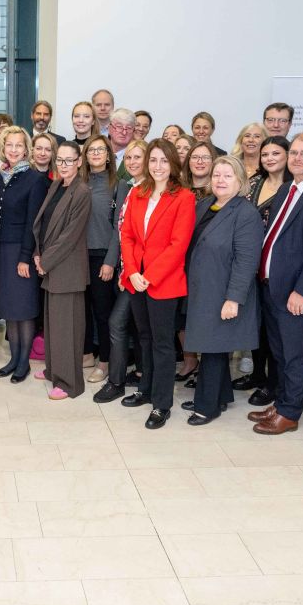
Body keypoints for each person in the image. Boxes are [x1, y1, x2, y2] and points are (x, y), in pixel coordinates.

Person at [247, 134, 303, 436]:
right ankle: (281, 403)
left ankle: (289, 414)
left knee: (296, 356)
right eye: (295, 152)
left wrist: (302, 291)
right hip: (273, 287)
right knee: (281, 354)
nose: (298, 158)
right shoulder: (288, 188)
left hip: (296, 293)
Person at [119, 137, 196, 429]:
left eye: (164, 160)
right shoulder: (138, 193)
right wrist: (132, 272)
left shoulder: (184, 197)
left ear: (173, 164)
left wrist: (149, 275)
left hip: (162, 281)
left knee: (162, 344)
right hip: (136, 279)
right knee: (144, 337)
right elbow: (127, 235)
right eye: (153, 160)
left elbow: (178, 245)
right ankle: (146, 389)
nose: (158, 166)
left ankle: (162, 404)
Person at [180, 157, 263, 425]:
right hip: (203, 289)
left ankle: (207, 406)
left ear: (240, 181)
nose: (220, 180)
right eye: (217, 175)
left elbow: (247, 261)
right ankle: (222, 395)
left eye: (228, 175)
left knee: (213, 347)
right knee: (213, 344)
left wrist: (233, 299)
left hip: (224, 291)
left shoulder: (246, 214)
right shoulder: (206, 205)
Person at [33, 138, 92, 400]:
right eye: (60, 160)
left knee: (67, 328)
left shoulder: (82, 192)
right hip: (50, 265)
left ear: (79, 162)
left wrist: (44, 261)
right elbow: (43, 223)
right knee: (53, 325)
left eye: (69, 160)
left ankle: (69, 383)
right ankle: (54, 370)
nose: (64, 164)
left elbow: (70, 236)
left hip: (67, 268)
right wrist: (37, 254)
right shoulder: (57, 184)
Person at [0, 127, 48, 382]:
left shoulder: (35, 179)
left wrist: (25, 257)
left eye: (19, 145)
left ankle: (24, 362)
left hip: (20, 250)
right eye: (9, 145)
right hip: (0, 250)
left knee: (24, 308)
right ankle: (13, 358)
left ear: (26, 149)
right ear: (3, 148)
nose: (13, 150)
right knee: (9, 308)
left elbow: (33, 224)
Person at [92, 139, 146, 404]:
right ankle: (135, 376)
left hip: (144, 273)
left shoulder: (149, 191)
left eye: (138, 157)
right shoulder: (133, 188)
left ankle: (118, 381)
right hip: (129, 270)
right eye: (129, 158)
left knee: (120, 323)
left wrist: (130, 271)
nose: (133, 162)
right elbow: (125, 233)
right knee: (133, 325)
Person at [237, 136, 289, 404]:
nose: (269, 158)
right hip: (250, 262)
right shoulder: (255, 182)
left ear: (288, 155)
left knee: (273, 330)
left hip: (277, 266)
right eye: (265, 154)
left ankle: (274, 383)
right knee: (255, 324)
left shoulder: (293, 188)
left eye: (275, 153)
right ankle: (257, 374)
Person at [82, 136, 120, 384]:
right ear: (85, 156)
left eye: (101, 150)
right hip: (78, 256)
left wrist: (110, 261)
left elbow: (119, 227)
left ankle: (105, 361)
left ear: (108, 155)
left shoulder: (118, 184)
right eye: (91, 150)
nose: (96, 153)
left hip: (102, 256)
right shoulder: (79, 182)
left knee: (103, 313)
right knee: (82, 310)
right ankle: (86, 354)